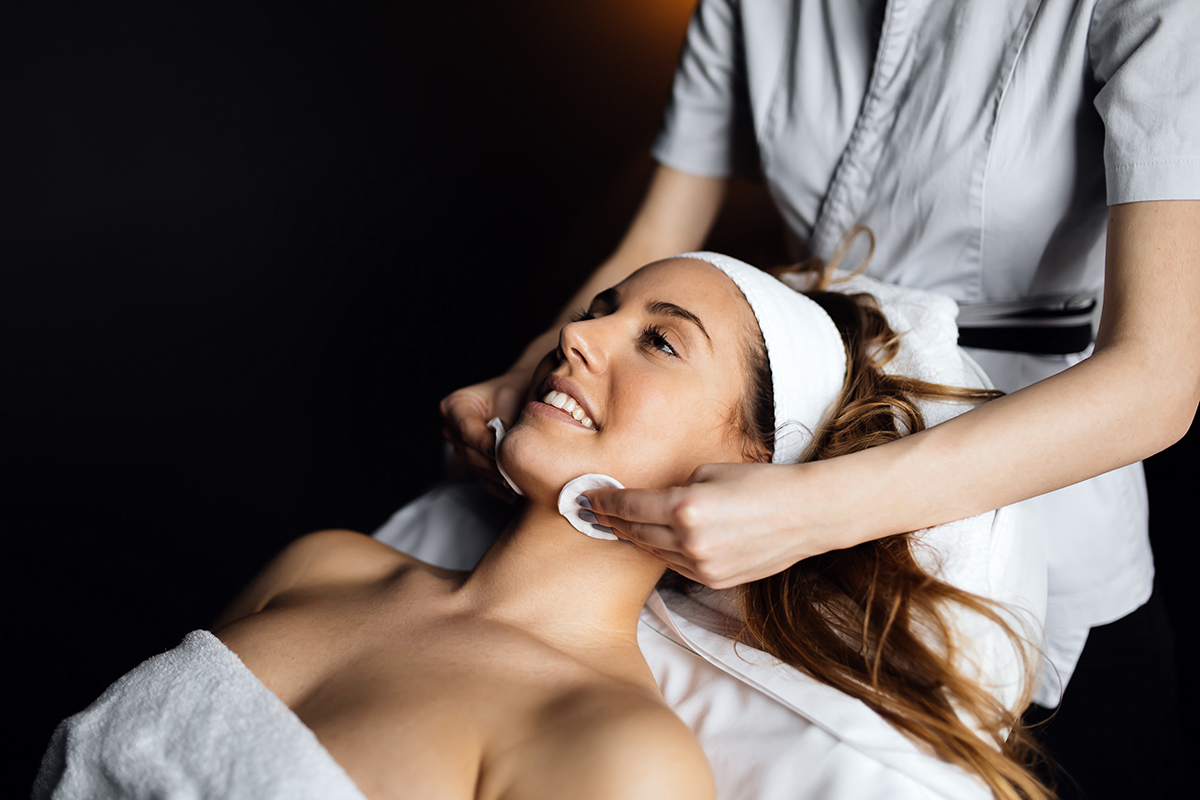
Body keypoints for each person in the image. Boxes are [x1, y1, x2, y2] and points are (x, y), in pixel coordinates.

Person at [441, 1, 1198, 794]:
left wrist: (807, 511)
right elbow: (651, 248)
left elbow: (1157, 379)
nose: (577, 340)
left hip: (1046, 485)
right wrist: (527, 377)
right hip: (801, 419)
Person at [36, 254, 1049, 800]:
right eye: (603, 305)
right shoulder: (325, 565)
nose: (575, 332)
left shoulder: (617, 756)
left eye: (656, 339)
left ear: (749, 468)